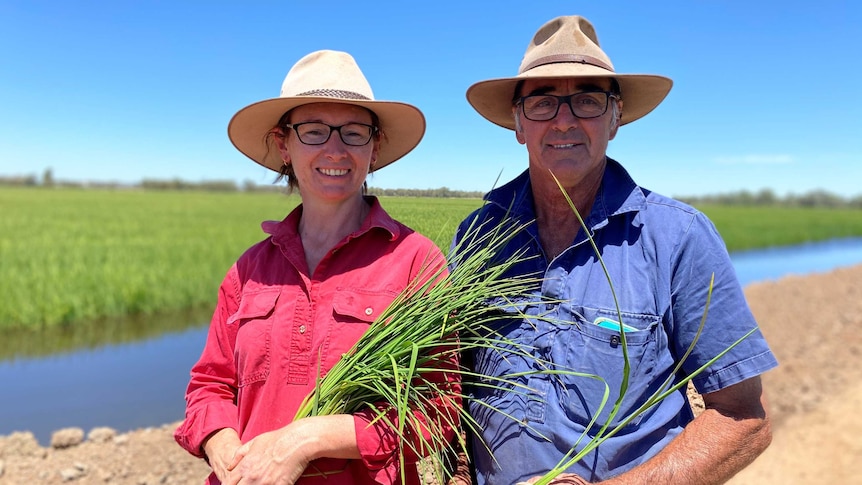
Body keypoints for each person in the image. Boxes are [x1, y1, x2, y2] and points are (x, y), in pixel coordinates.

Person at [449, 15, 778, 485]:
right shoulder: (478, 236)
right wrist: (459, 468)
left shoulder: (677, 237)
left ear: (615, 117)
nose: (564, 119)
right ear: (519, 124)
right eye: (542, 102)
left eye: (586, 100)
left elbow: (745, 419)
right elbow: (458, 385)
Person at [174, 50, 459, 485]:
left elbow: (437, 410)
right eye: (313, 131)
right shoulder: (249, 269)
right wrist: (225, 449)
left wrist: (309, 438)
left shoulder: (415, 262)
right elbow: (209, 384)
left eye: (354, 132)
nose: (335, 148)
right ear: (283, 144)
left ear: (374, 147)